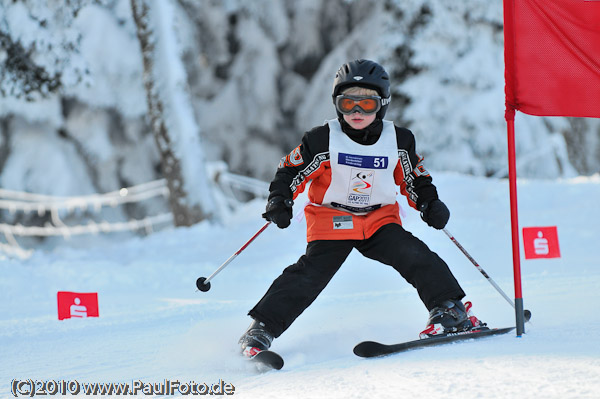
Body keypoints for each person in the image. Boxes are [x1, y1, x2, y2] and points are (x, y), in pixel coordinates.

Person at [239, 59, 483, 358]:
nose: (356, 112)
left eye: (366, 104)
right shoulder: (322, 139)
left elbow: (414, 177)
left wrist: (428, 202)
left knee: (415, 255)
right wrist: (280, 199)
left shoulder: (398, 140)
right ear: (336, 104)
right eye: (347, 103)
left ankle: (449, 310)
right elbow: (290, 171)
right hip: (333, 219)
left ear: (382, 105)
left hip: (378, 218)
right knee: (309, 275)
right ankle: (261, 329)